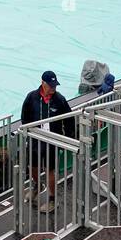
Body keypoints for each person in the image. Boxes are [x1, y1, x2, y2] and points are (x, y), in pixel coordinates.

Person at [20, 71, 74, 212]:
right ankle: (37, 185)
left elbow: (69, 120)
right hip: (35, 139)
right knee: (32, 167)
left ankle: (52, 199)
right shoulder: (31, 97)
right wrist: (29, 133)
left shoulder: (59, 99)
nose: (53, 88)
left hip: (52, 141)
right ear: (43, 83)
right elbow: (24, 117)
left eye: (54, 85)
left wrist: (68, 138)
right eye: (50, 85)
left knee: (50, 170)